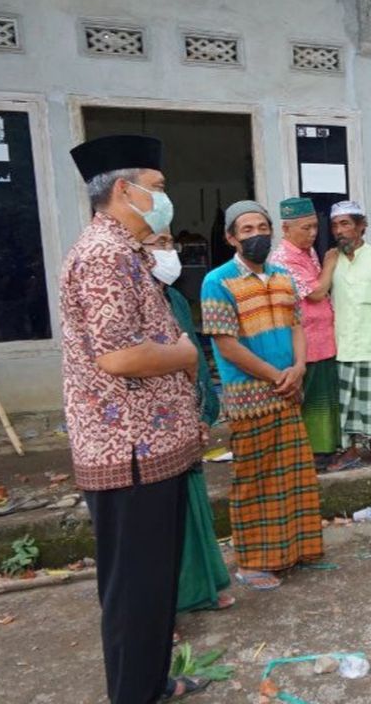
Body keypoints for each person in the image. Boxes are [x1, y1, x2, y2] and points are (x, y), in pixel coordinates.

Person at [62, 134, 207, 702]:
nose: (165, 199)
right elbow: (120, 356)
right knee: (135, 588)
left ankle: (149, 682)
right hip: (129, 453)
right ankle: (134, 693)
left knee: (151, 584)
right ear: (125, 190)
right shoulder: (105, 255)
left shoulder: (126, 251)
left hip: (148, 449)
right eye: (159, 188)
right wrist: (186, 353)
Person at [201, 201, 323, 591]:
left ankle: (297, 551)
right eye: (247, 230)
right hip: (250, 398)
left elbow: (297, 326)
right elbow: (226, 345)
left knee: (294, 475)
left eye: (262, 227)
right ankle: (253, 562)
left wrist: (299, 367)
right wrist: (276, 376)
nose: (257, 235)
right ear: (231, 238)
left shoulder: (283, 276)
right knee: (254, 480)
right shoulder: (217, 281)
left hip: (289, 391)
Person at [139, 229, 234, 615]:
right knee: (157, 521)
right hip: (149, 427)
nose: (169, 252)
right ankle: (161, 607)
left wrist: (201, 411)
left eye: (170, 243)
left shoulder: (174, 298)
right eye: (158, 243)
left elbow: (193, 357)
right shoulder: (131, 300)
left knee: (192, 507)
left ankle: (201, 590)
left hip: (184, 418)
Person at [269, 197, 343, 467]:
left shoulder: (306, 251)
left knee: (326, 397)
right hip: (307, 343)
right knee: (311, 400)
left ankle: (327, 450)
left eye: (314, 227)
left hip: (323, 340)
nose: (312, 233)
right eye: (305, 228)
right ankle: (314, 455)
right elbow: (317, 292)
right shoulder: (283, 259)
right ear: (286, 229)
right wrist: (330, 262)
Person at [326, 201, 371, 471]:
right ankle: (349, 450)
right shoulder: (331, 260)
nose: (339, 231)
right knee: (345, 403)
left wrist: (370, 320)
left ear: (361, 226)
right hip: (342, 343)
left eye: (345, 224)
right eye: (335, 225)